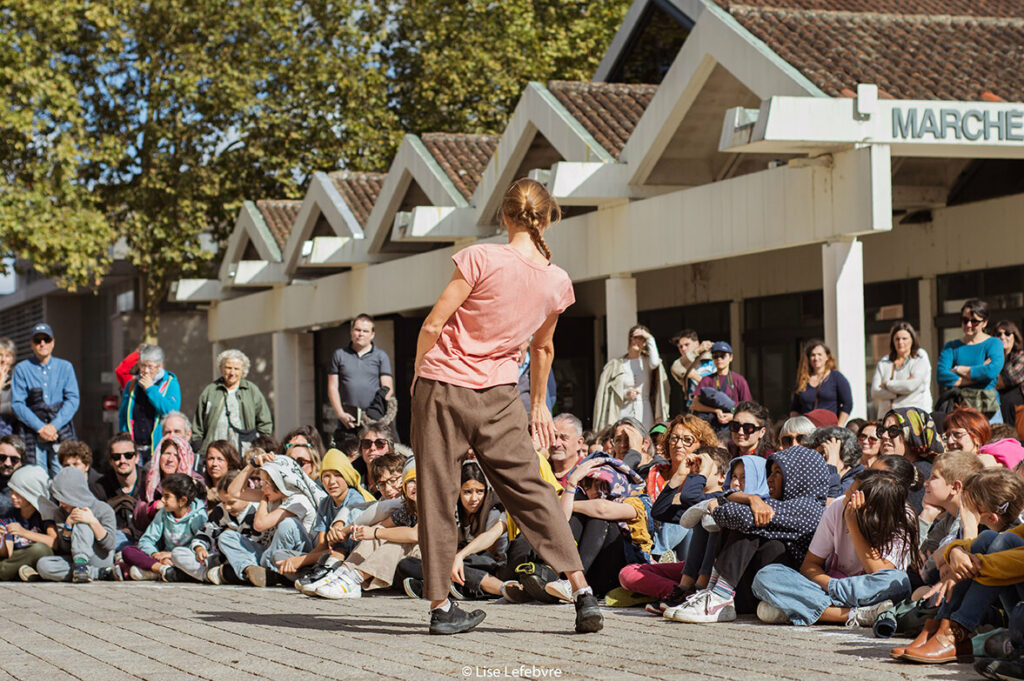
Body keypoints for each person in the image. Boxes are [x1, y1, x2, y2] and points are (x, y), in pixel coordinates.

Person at [411, 177, 601, 635]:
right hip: (499, 395)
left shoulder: (480, 257)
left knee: (436, 494)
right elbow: (543, 350)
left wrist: (418, 373)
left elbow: (435, 322)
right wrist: (537, 404)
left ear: (505, 215)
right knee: (532, 489)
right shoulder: (557, 280)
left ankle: (440, 608)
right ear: (548, 216)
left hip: (442, 386)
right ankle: (582, 591)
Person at [663, 446, 831, 623]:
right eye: (769, 473)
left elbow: (737, 514)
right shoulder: (773, 503)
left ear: (799, 477)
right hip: (755, 588)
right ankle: (714, 593)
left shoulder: (809, 508)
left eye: (777, 473)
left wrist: (720, 505)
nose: (769, 480)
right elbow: (726, 500)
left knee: (752, 525)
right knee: (747, 520)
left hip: (781, 587)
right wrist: (751, 499)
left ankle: (719, 597)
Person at [753, 469, 916, 627]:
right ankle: (856, 614)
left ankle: (805, 609)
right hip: (829, 586)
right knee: (766, 575)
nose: (845, 494)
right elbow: (809, 566)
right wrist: (832, 586)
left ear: (870, 507)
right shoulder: (837, 507)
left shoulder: (902, 518)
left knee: (898, 583)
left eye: (851, 493)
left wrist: (854, 526)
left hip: (870, 593)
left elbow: (879, 573)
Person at [895, 468, 1024, 664]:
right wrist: (955, 551)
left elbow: (1018, 562)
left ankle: (954, 633)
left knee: (1000, 542)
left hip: (1001, 615)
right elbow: (932, 564)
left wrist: (965, 566)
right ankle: (940, 628)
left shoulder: (1008, 527)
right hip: (1012, 608)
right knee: (991, 537)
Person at [543, 453, 653, 600]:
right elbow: (562, 521)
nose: (595, 491)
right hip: (592, 574)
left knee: (599, 518)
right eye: (588, 485)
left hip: (619, 572)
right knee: (577, 517)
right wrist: (572, 482)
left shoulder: (638, 501)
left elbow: (602, 508)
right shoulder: (582, 499)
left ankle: (570, 583)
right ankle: (562, 580)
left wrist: (567, 504)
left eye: (602, 485)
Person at [310, 464, 420, 599]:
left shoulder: (434, 505)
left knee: (395, 542)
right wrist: (366, 532)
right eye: (410, 481)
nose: (414, 486)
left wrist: (374, 532)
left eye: (418, 481)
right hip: (412, 560)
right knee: (378, 533)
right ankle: (343, 573)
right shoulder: (408, 507)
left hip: (432, 559)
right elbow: (383, 526)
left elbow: (415, 534)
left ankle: (355, 580)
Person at [219, 452, 324, 587]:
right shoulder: (276, 496)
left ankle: (264, 571)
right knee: (227, 536)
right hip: (270, 552)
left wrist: (263, 499)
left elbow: (259, 524)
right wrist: (252, 465)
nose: (262, 488)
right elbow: (234, 492)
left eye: (266, 483)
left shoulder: (298, 499)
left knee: (288, 524)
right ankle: (250, 568)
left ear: (280, 482)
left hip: (295, 556)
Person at [174, 471, 271, 584]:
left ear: (247, 495)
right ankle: (210, 575)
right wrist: (199, 548)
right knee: (178, 553)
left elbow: (257, 543)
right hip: (220, 559)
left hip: (250, 558)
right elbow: (207, 532)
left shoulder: (258, 511)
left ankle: (238, 573)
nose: (227, 507)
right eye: (223, 502)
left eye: (231, 502)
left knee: (226, 537)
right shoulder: (220, 511)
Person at [11, 322, 79, 477]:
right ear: (31, 344)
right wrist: (41, 428)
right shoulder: (22, 369)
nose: (42, 344)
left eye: (46, 340)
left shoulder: (66, 367)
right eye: (37, 340)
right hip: (33, 434)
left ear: (53, 342)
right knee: (37, 478)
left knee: (64, 476)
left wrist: (53, 427)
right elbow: (17, 404)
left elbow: (73, 399)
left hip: (60, 431)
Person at [35, 467, 118, 583]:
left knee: (81, 521)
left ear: (73, 493)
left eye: (62, 497)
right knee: (43, 565)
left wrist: (92, 522)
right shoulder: (60, 512)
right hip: (74, 560)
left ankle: (82, 568)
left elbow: (109, 545)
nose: (60, 503)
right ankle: (98, 573)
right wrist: (68, 528)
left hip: (99, 557)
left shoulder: (103, 509)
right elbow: (65, 549)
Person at [123, 473, 207, 582]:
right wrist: (155, 554)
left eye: (167, 496)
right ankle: (163, 570)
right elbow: (146, 540)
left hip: (186, 559)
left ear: (182, 501)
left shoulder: (198, 516)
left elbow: (202, 547)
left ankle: (154, 572)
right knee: (127, 550)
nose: (162, 500)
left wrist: (172, 555)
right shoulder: (163, 513)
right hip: (163, 560)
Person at [327, 314, 395, 441]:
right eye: (358, 330)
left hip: (374, 420)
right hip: (349, 419)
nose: (361, 334)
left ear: (372, 334)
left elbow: (388, 388)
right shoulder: (339, 355)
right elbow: (332, 387)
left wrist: (375, 412)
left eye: (365, 331)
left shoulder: (381, 356)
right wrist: (340, 414)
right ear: (351, 331)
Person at [193, 349, 273, 457]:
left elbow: (265, 422)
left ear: (243, 371)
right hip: (214, 451)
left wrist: (261, 444)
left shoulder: (251, 390)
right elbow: (198, 424)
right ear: (221, 369)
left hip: (245, 451)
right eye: (228, 368)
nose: (232, 373)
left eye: (236, 369)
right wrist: (197, 445)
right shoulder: (210, 391)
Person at [937, 299, 1004, 421]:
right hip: (960, 408)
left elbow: (991, 371)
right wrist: (978, 373)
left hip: (988, 408)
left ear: (984, 323)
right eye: (965, 320)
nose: (968, 325)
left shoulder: (994, 343)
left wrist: (958, 369)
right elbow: (941, 375)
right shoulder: (951, 346)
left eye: (974, 321)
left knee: (992, 440)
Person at [594, 325, 670, 433]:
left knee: (645, 438)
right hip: (623, 408)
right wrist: (626, 393)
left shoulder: (647, 361)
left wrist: (650, 338)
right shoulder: (617, 364)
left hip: (645, 408)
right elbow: (610, 391)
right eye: (635, 337)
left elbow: (655, 363)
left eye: (641, 338)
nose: (637, 341)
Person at [117, 344, 181, 465]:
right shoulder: (132, 384)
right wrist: (124, 439)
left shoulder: (170, 383)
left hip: (157, 449)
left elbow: (171, 412)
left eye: (150, 367)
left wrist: (151, 389)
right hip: (135, 450)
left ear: (159, 366)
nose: (146, 371)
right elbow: (123, 415)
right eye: (143, 366)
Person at [880, 407, 945, 513]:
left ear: (912, 434)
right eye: (882, 431)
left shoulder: (924, 473)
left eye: (893, 431)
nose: (884, 436)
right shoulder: (885, 470)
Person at [134, 435, 202, 532]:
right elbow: (137, 519)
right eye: (167, 453)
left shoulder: (195, 481)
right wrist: (153, 507)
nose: (170, 459)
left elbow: (199, 516)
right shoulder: (150, 481)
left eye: (176, 455)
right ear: (159, 456)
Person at [0, 465, 56, 580]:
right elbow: (9, 554)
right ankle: (26, 574)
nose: (13, 497)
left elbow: (54, 543)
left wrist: (24, 533)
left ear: (31, 493)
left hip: (42, 560)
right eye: (11, 491)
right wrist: (2, 539)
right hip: (17, 559)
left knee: (40, 549)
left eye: (18, 493)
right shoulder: (10, 516)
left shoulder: (45, 516)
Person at [871, 322, 933, 414]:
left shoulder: (919, 359)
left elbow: (911, 386)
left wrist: (887, 384)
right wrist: (898, 393)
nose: (900, 342)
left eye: (904, 339)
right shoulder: (884, 363)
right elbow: (875, 391)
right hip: (886, 417)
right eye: (897, 339)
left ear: (912, 340)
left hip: (913, 415)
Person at [690, 342, 753, 431]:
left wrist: (733, 416)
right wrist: (715, 411)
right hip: (710, 428)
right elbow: (694, 405)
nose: (719, 359)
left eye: (723, 356)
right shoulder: (706, 380)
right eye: (715, 356)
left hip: (733, 429)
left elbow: (748, 407)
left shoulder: (739, 380)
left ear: (731, 357)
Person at [97, 434, 144, 549]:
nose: (122, 461)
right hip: (114, 538)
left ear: (136, 458)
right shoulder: (101, 487)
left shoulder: (148, 482)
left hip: (144, 539)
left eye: (128, 455)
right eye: (116, 457)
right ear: (110, 461)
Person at [790, 340, 852, 426]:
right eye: (813, 355)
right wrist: (795, 426)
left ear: (827, 356)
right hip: (807, 429)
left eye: (819, 354)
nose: (816, 358)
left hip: (829, 428)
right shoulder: (802, 380)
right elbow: (795, 408)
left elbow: (847, 404)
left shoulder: (836, 377)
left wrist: (839, 426)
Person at [669, 330, 713, 410]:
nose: (683, 349)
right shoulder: (683, 365)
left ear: (697, 343)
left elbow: (716, 386)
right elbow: (675, 368)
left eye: (687, 344)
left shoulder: (711, 358)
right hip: (694, 408)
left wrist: (695, 376)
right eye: (680, 347)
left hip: (712, 406)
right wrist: (696, 351)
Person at [994, 321, 1024, 427]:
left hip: (1017, 411)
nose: (1003, 337)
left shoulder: (1020, 356)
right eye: (999, 334)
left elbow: (1010, 378)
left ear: (1014, 336)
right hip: (996, 409)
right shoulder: (991, 358)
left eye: (1007, 333)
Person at [516, 340, 557, 413]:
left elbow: (552, 397)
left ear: (528, 342)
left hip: (531, 417)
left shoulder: (540, 363)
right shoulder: (502, 364)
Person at [549, 413, 587, 485]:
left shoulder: (587, 473)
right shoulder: (540, 469)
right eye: (553, 437)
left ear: (579, 443)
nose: (556, 444)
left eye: (564, 438)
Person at [0, 434, 26, 519]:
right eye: (2, 457)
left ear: (22, 461)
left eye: (14, 459)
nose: (7, 463)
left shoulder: (28, 483)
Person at [0, 338, 15, 437]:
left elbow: (16, 407)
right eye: (0, 355)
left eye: (7, 356)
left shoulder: (17, 379)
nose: (3, 360)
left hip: (10, 431)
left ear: (12, 359)